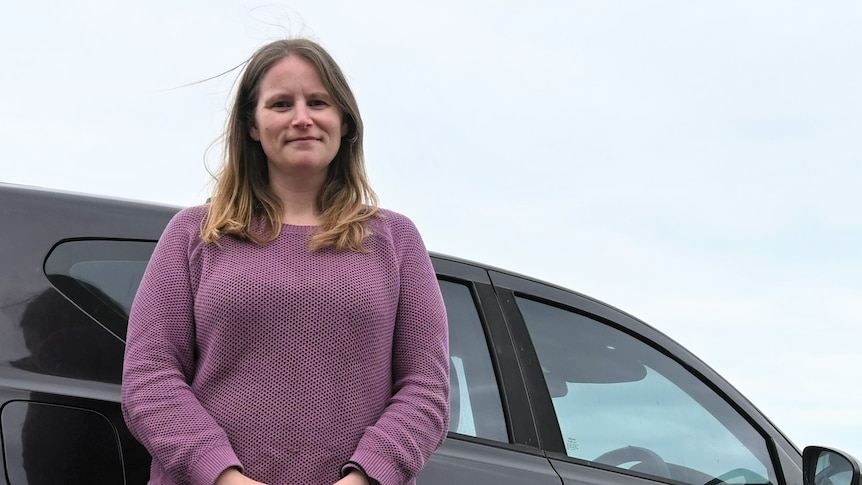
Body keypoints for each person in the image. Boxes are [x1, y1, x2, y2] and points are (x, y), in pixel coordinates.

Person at [121, 38, 450, 485]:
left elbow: (425, 387)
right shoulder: (193, 235)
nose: (302, 118)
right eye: (280, 104)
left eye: (318, 102)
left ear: (344, 121)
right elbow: (150, 378)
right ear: (252, 126)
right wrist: (223, 476)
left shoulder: (396, 241)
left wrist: (365, 478)